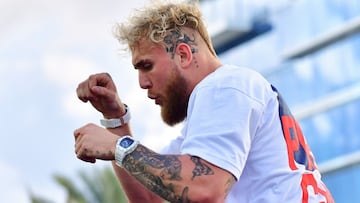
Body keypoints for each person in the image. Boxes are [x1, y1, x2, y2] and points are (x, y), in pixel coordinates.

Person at [74, 1, 335, 202]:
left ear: (184, 54)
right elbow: (150, 196)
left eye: (147, 66)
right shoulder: (221, 103)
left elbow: (205, 191)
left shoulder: (223, 86)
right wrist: (116, 121)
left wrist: (118, 146)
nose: (142, 82)